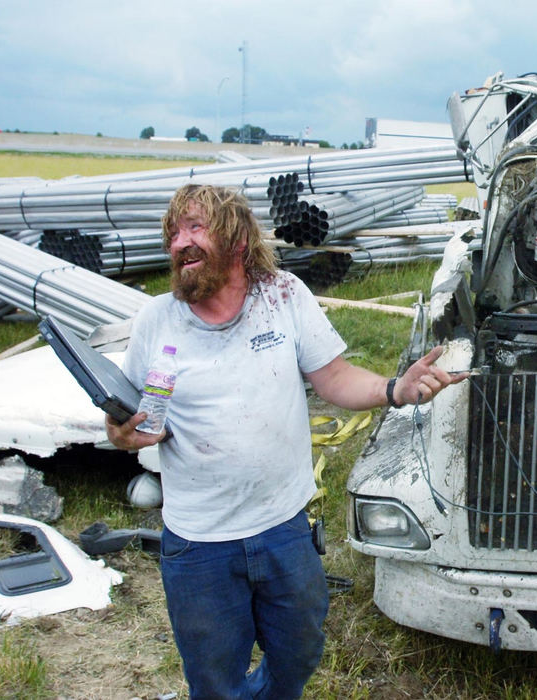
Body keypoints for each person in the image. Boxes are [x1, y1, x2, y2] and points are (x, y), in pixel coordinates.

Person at [105, 183, 464, 698]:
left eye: (195, 227)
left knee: (298, 655)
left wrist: (396, 388)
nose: (180, 243)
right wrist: (119, 434)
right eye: (174, 233)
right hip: (199, 543)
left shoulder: (283, 295)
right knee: (213, 678)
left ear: (236, 240)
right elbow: (127, 416)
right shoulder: (155, 320)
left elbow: (335, 379)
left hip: (283, 528)